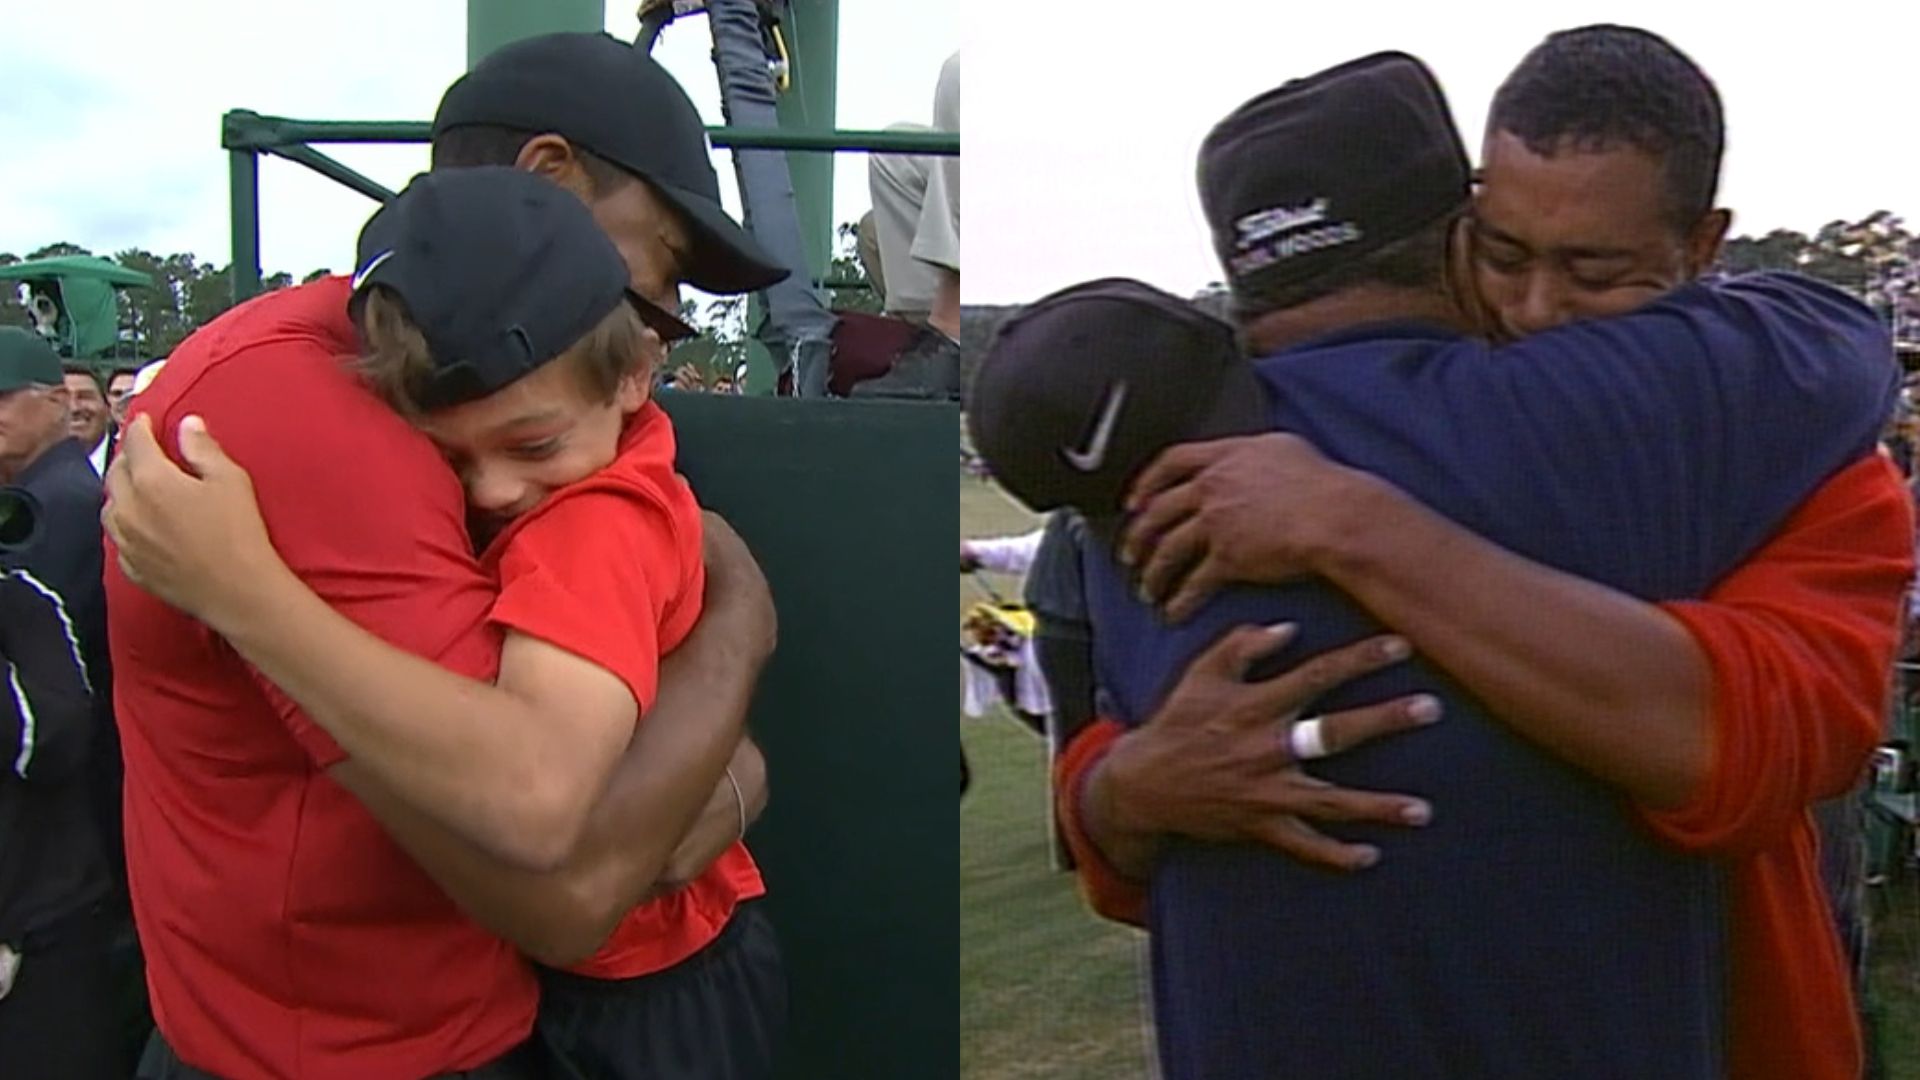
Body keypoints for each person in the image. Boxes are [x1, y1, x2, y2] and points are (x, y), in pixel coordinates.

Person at [970, 52, 1906, 1080]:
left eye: (1596, 272)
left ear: (1701, 244)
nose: (1540, 307)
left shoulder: (1783, 451)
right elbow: (1136, 815)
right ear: (1461, 223)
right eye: (1507, 255)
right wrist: (1124, 791)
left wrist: (1360, 525)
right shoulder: (1200, 477)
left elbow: (1762, 745)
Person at [100, 32, 787, 1079]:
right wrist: (738, 644)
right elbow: (568, 883)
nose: (666, 320)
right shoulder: (316, 408)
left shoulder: (498, 401)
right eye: (667, 270)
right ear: (549, 180)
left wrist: (730, 697)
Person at [0, 333, 121, 1080]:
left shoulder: (61, 505)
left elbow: (50, 723)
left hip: (66, 834)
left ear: (55, 406)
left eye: (4, 400)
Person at [61, 366, 111, 475]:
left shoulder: (134, 461)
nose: (74, 408)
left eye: (85, 397)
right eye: (64, 398)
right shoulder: (28, 467)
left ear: (108, 409)